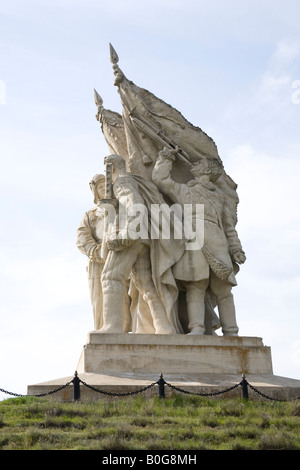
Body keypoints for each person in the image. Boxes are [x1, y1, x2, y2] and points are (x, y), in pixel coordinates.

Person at [152, 147, 246, 336]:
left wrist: (236, 248)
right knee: (196, 285)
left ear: (208, 171)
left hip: (217, 241)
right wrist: (166, 157)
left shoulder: (220, 197)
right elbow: (161, 180)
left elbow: (228, 226)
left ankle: (231, 331)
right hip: (192, 239)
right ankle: (197, 328)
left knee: (224, 290)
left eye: (200, 163)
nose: (195, 164)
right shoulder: (185, 191)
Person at [99, 154, 183, 335]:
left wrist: (127, 233)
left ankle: (112, 327)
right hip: (143, 238)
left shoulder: (122, 181)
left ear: (111, 169)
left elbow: (134, 202)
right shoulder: (136, 180)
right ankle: (164, 327)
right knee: (145, 285)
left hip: (128, 237)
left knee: (110, 277)